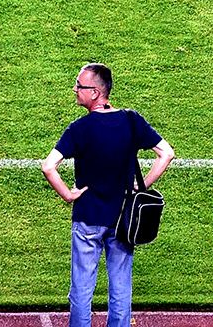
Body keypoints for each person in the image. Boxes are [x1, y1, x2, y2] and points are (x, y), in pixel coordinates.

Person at [42, 62, 175, 327]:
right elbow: (166, 154)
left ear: (94, 93)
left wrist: (68, 195)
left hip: (88, 217)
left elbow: (48, 167)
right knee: (121, 287)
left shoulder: (79, 129)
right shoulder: (130, 120)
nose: (75, 89)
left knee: (81, 289)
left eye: (79, 86)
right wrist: (142, 186)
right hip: (123, 219)